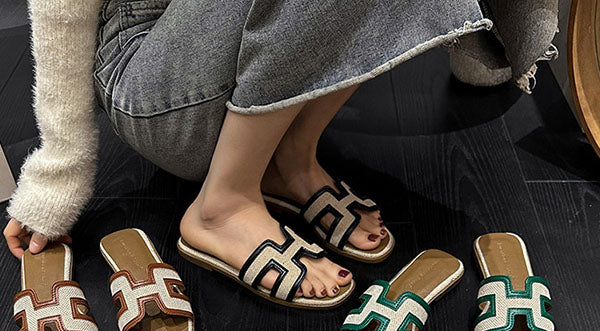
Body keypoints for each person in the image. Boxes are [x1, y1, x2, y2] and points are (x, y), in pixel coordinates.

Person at [4, 0, 559, 299]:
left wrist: (484, 43)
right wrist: (58, 173)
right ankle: (224, 204)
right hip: (153, 84)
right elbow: (61, 9)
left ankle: (288, 158)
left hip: (225, 63)